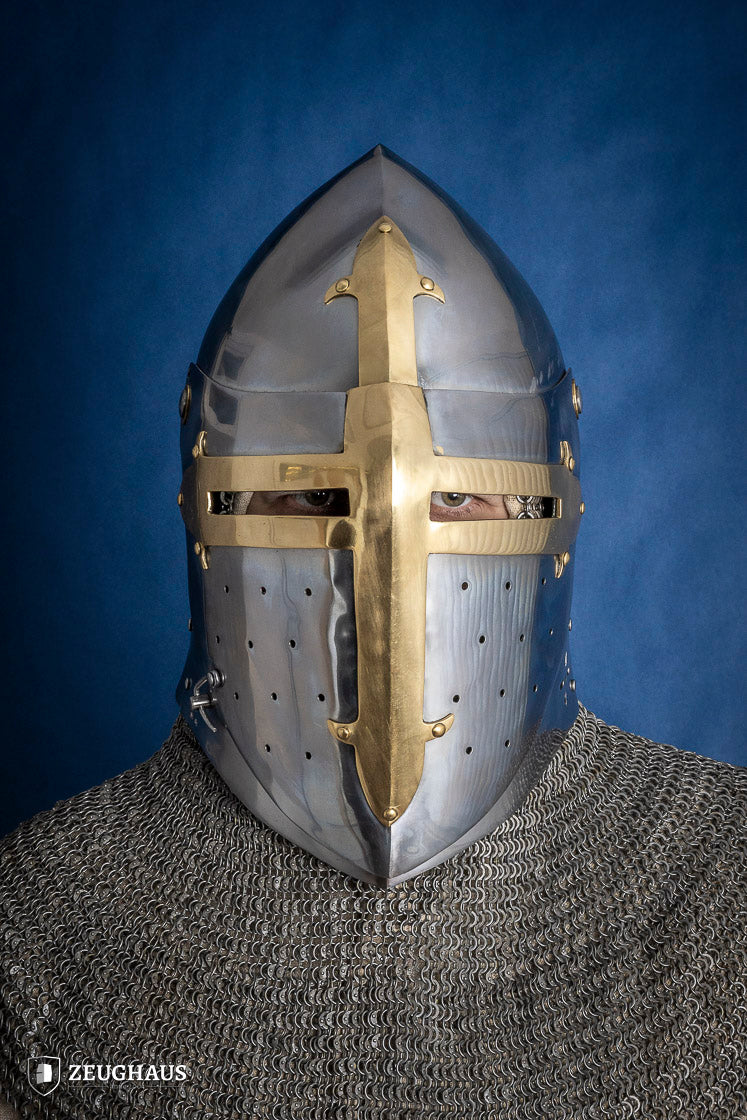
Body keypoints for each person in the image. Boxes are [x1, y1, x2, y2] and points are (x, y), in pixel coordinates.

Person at [1, 146, 744, 1119]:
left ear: (557, 520)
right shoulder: (40, 922)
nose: (378, 574)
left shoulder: (720, 881)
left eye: (465, 501)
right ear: (200, 517)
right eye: (306, 496)